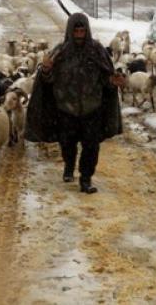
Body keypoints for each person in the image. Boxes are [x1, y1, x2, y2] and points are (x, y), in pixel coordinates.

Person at [26, 13, 123, 194]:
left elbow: (106, 78)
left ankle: (86, 179)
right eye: (76, 31)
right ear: (70, 31)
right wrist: (46, 70)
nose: (79, 34)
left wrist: (113, 82)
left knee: (91, 146)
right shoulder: (60, 52)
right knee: (67, 144)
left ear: (87, 31)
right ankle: (69, 165)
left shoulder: (97, 51)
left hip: (92, 108)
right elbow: (48, 80)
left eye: (82, 31)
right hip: (66, 109)